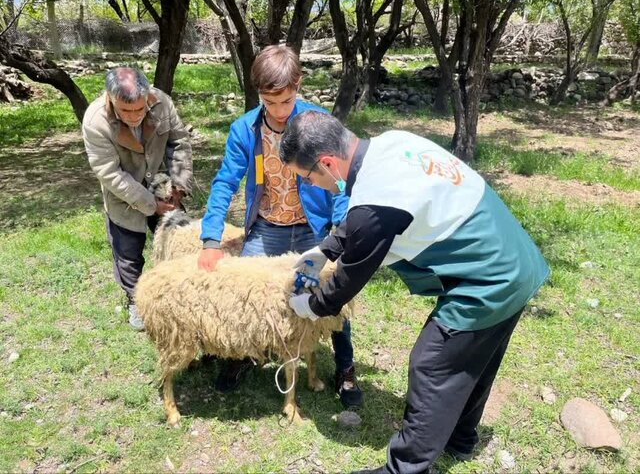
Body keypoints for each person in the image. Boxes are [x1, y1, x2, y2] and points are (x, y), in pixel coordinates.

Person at [280, 111, 550, 474]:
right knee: (473, 357)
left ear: (327, 163)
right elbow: (374, 215)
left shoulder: (374, 202)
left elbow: (349, 279)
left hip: (489, 277)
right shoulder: (391, 143)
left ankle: (405, 468)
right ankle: (461, 438)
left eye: (309, 176)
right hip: (516, 259)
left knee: (432, 364)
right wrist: (327, 248)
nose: (313, 185)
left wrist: (311, 306)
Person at [197, 45, 363, 407]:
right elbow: (225, 181)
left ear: (298, 85)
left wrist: (340, 228)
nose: (278, 111)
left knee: (334, 291)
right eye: (269, 103)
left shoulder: (318, 123)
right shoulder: (245, 129)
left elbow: (338, 181)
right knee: (245, 294)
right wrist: (211, 238)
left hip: (313, 226)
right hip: (267, 227)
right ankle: (243, 356)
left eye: (286, 102)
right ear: (258, 95)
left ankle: (345, 367)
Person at [82, 67, 193, 331]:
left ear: (147, 97)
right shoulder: (95, 121)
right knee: (128, 253)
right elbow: (110, 173)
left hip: (161, 183)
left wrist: (179, 185)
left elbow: (178, 143)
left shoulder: (162, 103)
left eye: (139, 110)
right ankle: (136, 301)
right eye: (126, 111)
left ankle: (181, 291)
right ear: (111, 99)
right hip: (123, 193)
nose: (134, 116)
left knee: (180, 238)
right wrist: (151, 205)